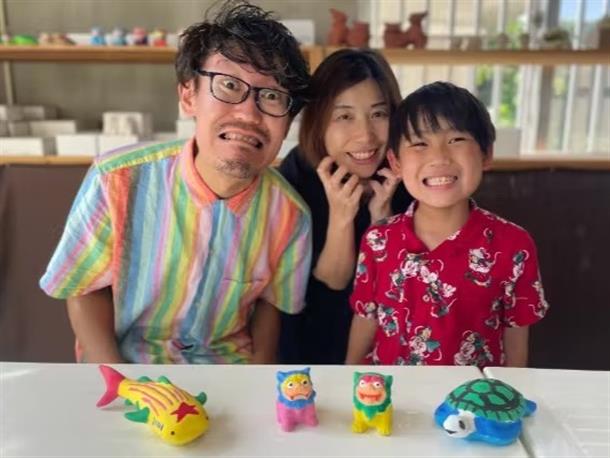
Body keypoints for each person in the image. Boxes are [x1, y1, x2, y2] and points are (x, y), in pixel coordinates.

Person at [39, 1, 312, 364]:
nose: (249, 113)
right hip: (126, 363)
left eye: (272, 96)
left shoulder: (291, 215)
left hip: (227, 368)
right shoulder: (116, 180)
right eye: (229, 85)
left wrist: (259, 383)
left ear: (288, 122)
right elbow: (83, 288)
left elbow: (269, 307)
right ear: (188, 96)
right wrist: (121, 381)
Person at [346, 81, 549, 368]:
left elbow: (516, 332)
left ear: (486, 154)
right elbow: (366, 317)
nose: (439, 157)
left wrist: (510, 391)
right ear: (396, 162)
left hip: (475, 392)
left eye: (456, 140)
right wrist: (349, 377)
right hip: (390, 391)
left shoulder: (514, 245)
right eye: (420, 144)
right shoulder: (378, 240)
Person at [278, 49, 412, 364]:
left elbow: (401, 295)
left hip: (392, 353)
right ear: (319, 122)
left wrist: (382, 224)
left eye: (378, 114)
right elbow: (330, 290)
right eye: (344, 116)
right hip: (312, 350)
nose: (365, 135)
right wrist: (341, 219)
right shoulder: (297, 175)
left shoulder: (408, 175)